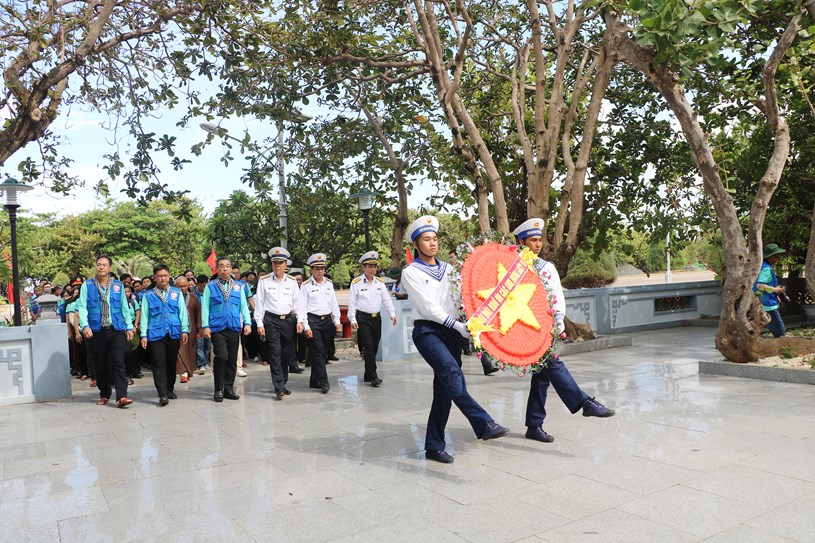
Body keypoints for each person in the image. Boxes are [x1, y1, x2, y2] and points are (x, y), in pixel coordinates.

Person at [400, 215, 510, 464]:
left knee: (444, 390)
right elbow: (427, 307)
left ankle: (433, 446)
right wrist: (457, 326)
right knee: (451, 373)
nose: (432, 243)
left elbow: (461, 297)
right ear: (416, 244)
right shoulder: (411, 272)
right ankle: (483, 423)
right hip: (428, 332)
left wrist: (472, 320)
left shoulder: (449, 269)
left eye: (435, 238)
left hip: (452, 331)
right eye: (426, 239)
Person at [512, 218, 614, 444]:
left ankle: (534, 424)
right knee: (552, 364)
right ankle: (584, 402)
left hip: (543, 326)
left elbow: (556, 295)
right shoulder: (509, 270)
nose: (538, 244)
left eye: (540, 240)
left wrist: (558, 319)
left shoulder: (545, 267)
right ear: (521, 242)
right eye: (532, 240)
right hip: (521, 328)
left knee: (542, 375)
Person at [75, 256, 135, 408]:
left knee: (119, 362)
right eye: (99, 265)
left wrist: (129, 326)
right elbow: (82, 307)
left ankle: (122, 396)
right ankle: (105, 393)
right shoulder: (87, 285)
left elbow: (124, 307)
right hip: (96, 330)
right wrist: (85, 326)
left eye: (104, 265)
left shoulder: (117, 285)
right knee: (100, 364)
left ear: (110, 268)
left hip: (116, 329)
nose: (101, 267)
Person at [201, 258, 251, 402]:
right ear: (217, 269)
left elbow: (243, 306)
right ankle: (218, 388)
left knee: (231, 358)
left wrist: (247, 323)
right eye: (222, 266)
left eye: (228, 266)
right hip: (217, 327)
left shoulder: (238, 286)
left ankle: (229, 388)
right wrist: (205, 326)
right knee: (221, 356)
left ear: (231, 269)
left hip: (234, 326)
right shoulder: (210, 286)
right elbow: (205, 307)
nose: (225, 269)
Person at [255, 247, 302, 399]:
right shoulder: (264, 281)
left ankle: (283, 382)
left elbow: (298, 303)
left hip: (288, 320)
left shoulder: (292, 281)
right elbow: (260, 303)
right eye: (275, 263)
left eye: (280, 263)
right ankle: (278, 386)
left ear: (286, 264)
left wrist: (300, 320)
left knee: (286, 353)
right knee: (275, 353)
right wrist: (260, 324)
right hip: (271, 321)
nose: (277, 266)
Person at [139, 265, 190, 406]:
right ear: (154, 278)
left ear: (169, 276)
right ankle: (162, 394)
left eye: (165, 275)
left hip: (173, 333)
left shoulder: (176, 293)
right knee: (158, 363)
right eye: (160, 276)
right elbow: (144, 316)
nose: (163, 278)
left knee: (171, 363)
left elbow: (182, 313)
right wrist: (143, 335)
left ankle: (170, 389)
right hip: (155, 334)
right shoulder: (148, 295)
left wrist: (184, 330)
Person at [348, 251, 397, 387]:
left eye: (374, 266)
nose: (372, 269)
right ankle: (373, 376)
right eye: (370, 266)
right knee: (368, 347)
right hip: (363, 318)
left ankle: (367, 373)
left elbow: (386, 300)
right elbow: (352, 302)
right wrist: (352, 319)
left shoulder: (379, 283)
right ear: (363, 268)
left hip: (376, 318)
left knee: (374, 347)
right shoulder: (356, 283)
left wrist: (392, 313)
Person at [296, 253, 341, 394]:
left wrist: (337, 321)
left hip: (327, 321)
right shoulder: (306, 286)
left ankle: (314, 379)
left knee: (322, 352)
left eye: (322, 268)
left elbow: (333, 303)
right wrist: (306, 326)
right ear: (311, 270)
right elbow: (302, 307)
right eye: (317, 268)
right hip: (313, 321)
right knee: (318, 350)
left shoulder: (329, 284)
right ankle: (324, 381)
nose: (320, 271)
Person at [754, 243, 787, 338]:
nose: (778, 258)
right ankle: (783, 348)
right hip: (768, 305)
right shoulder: (766, 269)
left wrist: (776, 294)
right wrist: (775, 290)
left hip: (761, 302)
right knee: (779, 329)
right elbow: (760, 285)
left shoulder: (762, 266)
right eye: (777, 256)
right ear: (771, 257)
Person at [174, 275, 200, 384]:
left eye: (185, 286)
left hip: (191, 328)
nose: (183, 288)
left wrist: (200, 328)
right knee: (179, 351)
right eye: (180, 286)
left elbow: (198, 313)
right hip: (176, 328)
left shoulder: (193, 297)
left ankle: (188, 370)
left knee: (189, 350)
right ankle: (183, 372)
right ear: (175, 286)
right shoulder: (172, 297)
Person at [193, 274, 211, 375]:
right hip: (198, 324)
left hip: (209, 324)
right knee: (199, 344)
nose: (204, 288)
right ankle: (201, 364)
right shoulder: (194, 295)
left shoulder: (210, 293)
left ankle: (206, 361)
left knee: (207, 345)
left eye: (205, 286)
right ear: (197, 284)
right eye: (201, 286)